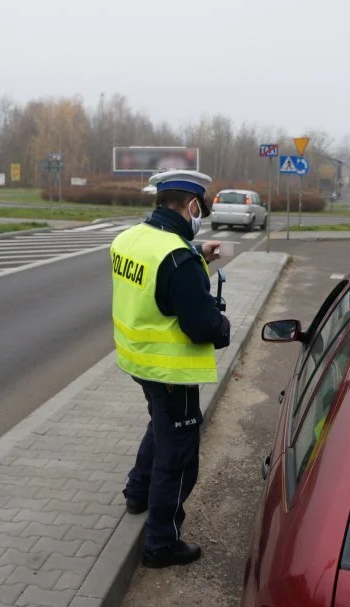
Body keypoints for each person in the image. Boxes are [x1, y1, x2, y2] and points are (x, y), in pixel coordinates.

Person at [109, 169, 230, 568]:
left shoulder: (129, 239)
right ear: (192, 205)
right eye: (201, 210)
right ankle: (161, 544)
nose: (201, 217)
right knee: (178, 457)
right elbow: (203, 326)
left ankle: (137, 493)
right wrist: (223, 323)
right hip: (170, 370)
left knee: (160, 424)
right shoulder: (178, 259)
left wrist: (198, 257)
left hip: (138, 360)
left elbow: (159, 278)